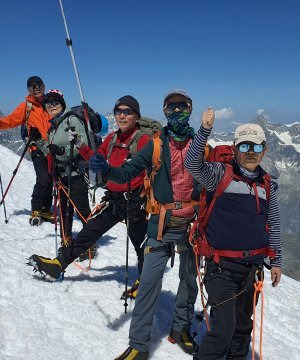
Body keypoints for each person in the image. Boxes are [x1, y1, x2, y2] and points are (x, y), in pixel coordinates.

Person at [89, 89, 201, 360]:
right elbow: (129, 170)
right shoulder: (156, 144)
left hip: (192, 225)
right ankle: (139, 345)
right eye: (171, 107)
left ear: (189, 109)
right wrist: (106, 170)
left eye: (181, 106)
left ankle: (180, 328)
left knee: (189, 281)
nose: (176, 112)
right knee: (149, 283)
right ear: (164, 111)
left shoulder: (201, 146)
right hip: (162, 223)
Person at [184, 112, 282, 360]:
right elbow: (192, 164)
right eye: (244, 146)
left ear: (264, 150)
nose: (251, 152)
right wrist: (204, 131)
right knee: (223, 331)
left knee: (241, 329)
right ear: (235, 148)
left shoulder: (268, 185)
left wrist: (276, 261)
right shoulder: (219, 174)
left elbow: (274, 222)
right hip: (222, 268)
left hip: (252, 268)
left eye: (256, 146)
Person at [28, 95, 149, 293]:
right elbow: (96, 158)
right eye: (119, 111)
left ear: (136, 116)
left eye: (128, 112)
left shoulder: (143, 141)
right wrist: (81, 146)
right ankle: (59, 264)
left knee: (140, 244)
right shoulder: (111, 139)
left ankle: (144, 282)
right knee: (88, 232)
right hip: (114, 200)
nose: (122, 116)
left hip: (136, 202)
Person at [0, 76, 54, 225]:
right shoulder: (26, 107)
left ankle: (46, 208)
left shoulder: (51, 103)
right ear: (28, 90)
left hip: (52, 149)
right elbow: (11, 120)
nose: (36, 89)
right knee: (43, 179)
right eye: (32, 87)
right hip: (37, 148)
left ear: (43, 87)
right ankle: (36, 209)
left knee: (50, 180)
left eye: (38, 86)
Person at [32, 89, 92, 249]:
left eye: (55, 102)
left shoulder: (72, 120)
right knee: (65, 211)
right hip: (61, 176)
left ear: (62, 104)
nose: (51, 105)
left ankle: (89, 244)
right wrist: (38, 140)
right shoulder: (53, 127)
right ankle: (67, 242)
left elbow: (82, 145)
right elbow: (51, 152)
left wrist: (62, 151)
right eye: (48, 103)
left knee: (82, 211)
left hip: (76, 173)